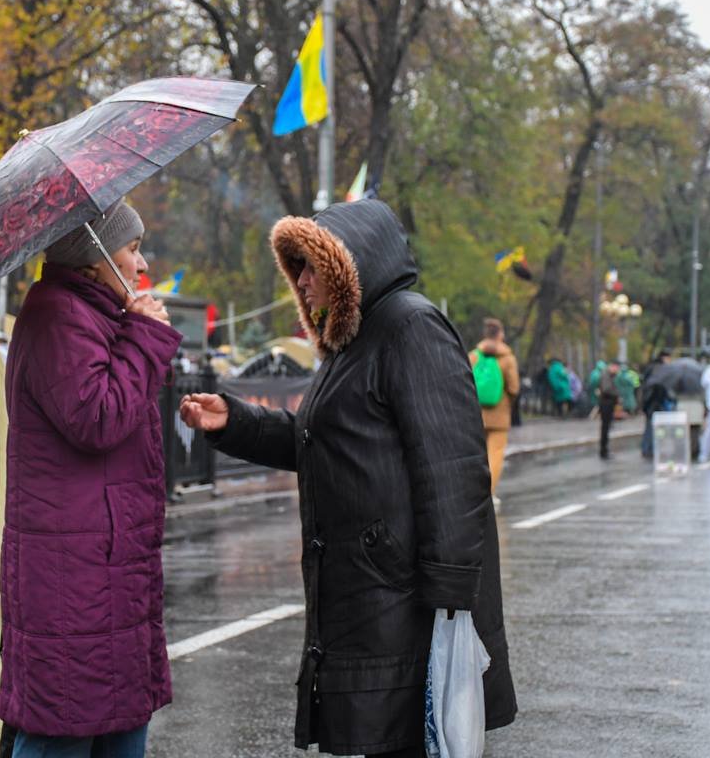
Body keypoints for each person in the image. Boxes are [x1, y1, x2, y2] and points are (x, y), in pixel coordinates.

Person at [179, 200, 516, 757]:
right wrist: (235, 423)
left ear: (346, 267)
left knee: (407, 743)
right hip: (375, 599)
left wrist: (450, 605)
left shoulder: (411, 325)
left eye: (311, 266)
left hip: (409, 605)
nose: (301, 281)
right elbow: (326, 443)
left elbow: (453, 470)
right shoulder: (351, 342)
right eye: (298, 268)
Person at [0, 202, 181, 758]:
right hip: (73, 580)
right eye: (130, 248)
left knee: (117, 718)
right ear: (92, 255)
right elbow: (96, 418)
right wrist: (145, 336)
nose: (142, 263)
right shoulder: (57, 315)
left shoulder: (94, 314)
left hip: (106, 569)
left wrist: (137, 333)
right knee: (67, 727)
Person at [470, 318, 521, 508]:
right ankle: (488, 495)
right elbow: (514, 387)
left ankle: (473, 493)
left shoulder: (474, 356)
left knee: (477, 455)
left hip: (475, 413)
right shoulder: (507, 358)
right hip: (499, 415)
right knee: (495, 454)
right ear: (500, 334)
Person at [640, 351, 674, 459]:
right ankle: (649, 449)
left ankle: (647, 448)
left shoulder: (651, 367)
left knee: (650, 425)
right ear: (664, 358)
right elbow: (660, 386)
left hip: (648, 401)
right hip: (655, 402)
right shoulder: (660, 369)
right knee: (653, 426)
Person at [598, 362, 621, 459]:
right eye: (616, 368)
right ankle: (603, 451)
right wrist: (617, 394)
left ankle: (605, 450)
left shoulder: (610, 375)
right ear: (612, 366)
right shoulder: (606, 375)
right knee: (605, 427)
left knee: (606, 427)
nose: (617, 370)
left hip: (608, 403)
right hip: (606, 403)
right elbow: (607, 389)